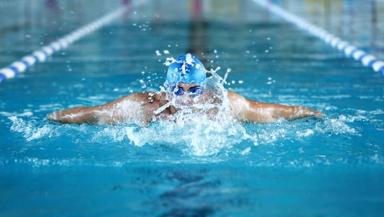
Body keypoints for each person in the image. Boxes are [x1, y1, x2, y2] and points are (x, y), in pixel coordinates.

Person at [47, 53, 322, 125]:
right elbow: (95, 114)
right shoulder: (146, 105)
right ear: (167, 88)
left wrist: (308, 112)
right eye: (178, 90)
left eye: (194, 90)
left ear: (204, 88)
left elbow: (271, 112)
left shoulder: (223, 104)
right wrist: (58, 117)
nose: (187, 98)